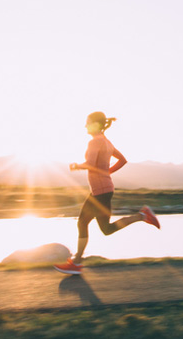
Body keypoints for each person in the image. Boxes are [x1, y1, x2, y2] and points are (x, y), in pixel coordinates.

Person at [54, 112, 160, 275]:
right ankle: (142, 215)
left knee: (83, 223)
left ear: (95, 124)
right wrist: (107, 173)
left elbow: (90, 164)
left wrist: (76, 166)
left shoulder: (95, 142)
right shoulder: (107, 142)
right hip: (103, 189)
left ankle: (77, 262)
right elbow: (123, 160)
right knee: (105, 229)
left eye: (87, 123)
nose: (85, 126)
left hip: (100, 192)